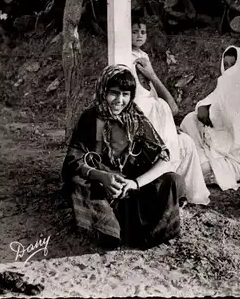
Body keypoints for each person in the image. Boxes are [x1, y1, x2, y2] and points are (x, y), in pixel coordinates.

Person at [62, 64, 180, 250]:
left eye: (126, 94)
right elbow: (73, 159)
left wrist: (135, 183)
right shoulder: (90, 118)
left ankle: (147, 234)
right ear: (103, 91)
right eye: (114, 93)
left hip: (130, 188)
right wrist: (102, 176)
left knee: (171, 180)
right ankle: (107, 231)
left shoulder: (136, 119)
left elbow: (164, 158)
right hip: (101, 186)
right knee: (78, 182)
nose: (119, 100)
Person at [131, 16, 210, 206]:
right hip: (143, 128)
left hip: (157, 119)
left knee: (187, 143)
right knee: (170, 148)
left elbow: (161, 102)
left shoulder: (144, 58)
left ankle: (186, 193)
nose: (139, 35)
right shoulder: (127, 60)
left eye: (143, 32)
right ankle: (168, 192)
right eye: (134, 32)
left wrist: (169, 124)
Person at [180, 46, 240, 192]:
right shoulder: (225, 85)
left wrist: (211, 116)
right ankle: (203, 162)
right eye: (226, 65)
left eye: (233, 65)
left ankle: (205, 166)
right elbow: (208, 104)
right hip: (222, 142)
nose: (229, 69)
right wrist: (202, 108)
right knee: (189, 119)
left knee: (202, 168)